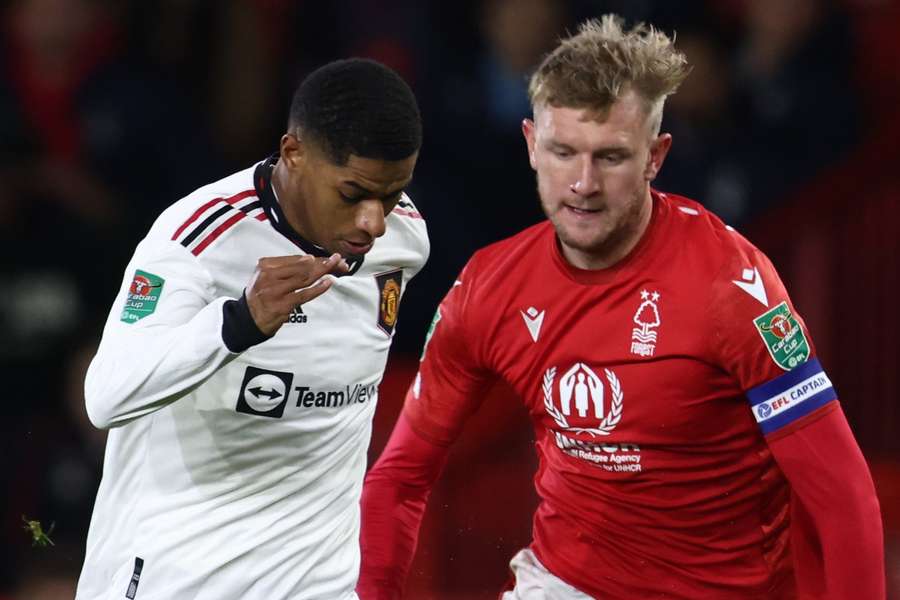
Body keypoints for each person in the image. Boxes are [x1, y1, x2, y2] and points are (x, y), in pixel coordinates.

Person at [357, 16, 885, 600]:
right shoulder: (489, 287)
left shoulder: (731, 286)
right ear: (532, 144)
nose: (582, 184)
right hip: (566, 585)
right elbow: (401, 477)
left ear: (655, 156)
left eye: (611, 157)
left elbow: (842, 494)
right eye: (563, 152)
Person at [76, 58, 427, 600]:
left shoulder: (405, 238)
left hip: (318, 584)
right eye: (353, 194)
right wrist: (237, 324)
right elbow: (106, 397)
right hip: (179, 580)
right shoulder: (195, 241)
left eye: (394, 192)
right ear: (294, 153)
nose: (374, 222)